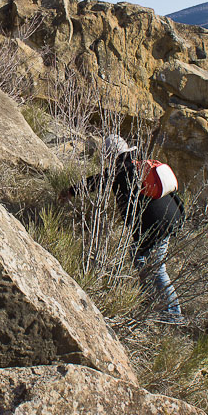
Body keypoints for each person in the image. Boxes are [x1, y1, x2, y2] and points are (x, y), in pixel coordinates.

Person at [63, 134, 184, 322]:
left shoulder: (120, 172)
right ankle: (152, 301)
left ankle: (173, 314)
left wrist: (71, 191)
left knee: (153, 266)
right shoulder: (138, 165)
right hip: (172, 216)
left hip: (156, 225)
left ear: (110, 155)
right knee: (143, 259)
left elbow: (96, 181)